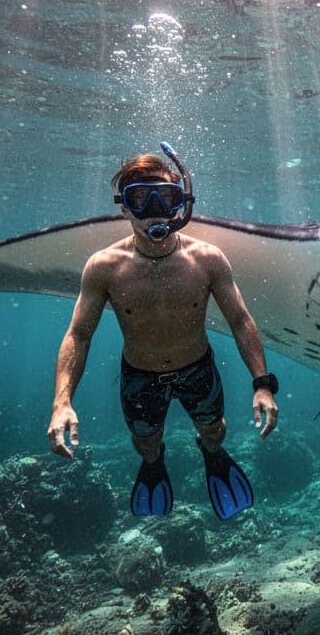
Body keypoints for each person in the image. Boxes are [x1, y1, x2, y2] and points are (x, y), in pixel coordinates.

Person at [46, 144, 279, 520]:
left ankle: (212, 454)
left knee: (215, 431)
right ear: (124, 208)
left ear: (181, 204)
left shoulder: (207, 259)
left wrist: (262, 384)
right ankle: (154, 463)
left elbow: (240, 320)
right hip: (140, 377)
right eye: (140, 199)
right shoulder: (104, 267)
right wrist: (61, 403)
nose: (154, 210)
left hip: (197, 369)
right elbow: (79, 334)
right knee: (145, 443)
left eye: (165, 197)